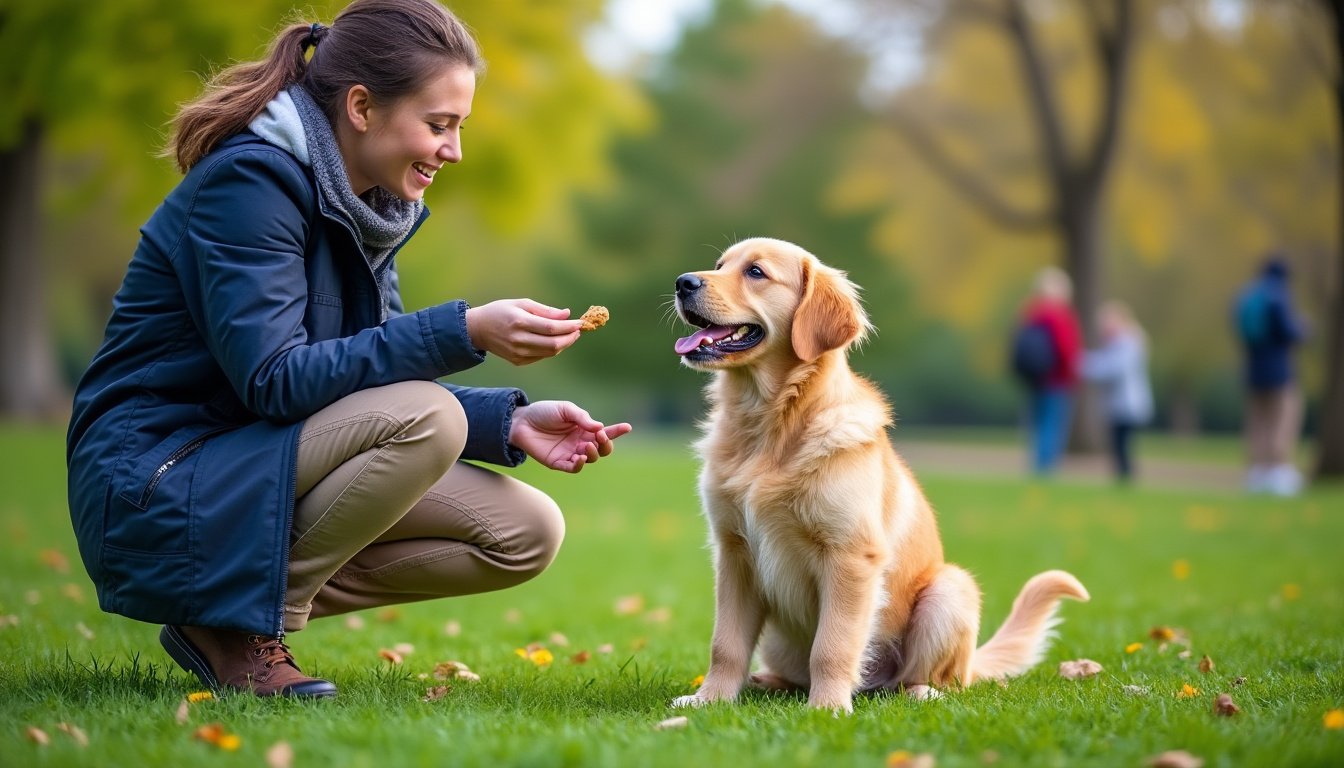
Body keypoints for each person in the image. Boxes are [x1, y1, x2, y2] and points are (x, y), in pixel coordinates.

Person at [65, 0, 632, 700]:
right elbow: (275, 381)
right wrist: (464, 331)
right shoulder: (250, 183)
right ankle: (229, 626)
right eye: (438, 124)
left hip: (247, 462)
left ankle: (225, 612)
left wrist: (504, 422)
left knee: (525, 530)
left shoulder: (368, 207)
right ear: (361, 107)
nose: (452, 150)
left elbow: (362, 383)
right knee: (429, 418)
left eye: (459, 127)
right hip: (156, 477)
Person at [1233, 254, 1307, 496]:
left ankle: (1257, 472)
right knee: (1283, 418)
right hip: (1279, 370)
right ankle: (1279, 472)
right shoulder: (1278, 297)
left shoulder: (1247, 296)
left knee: (1258, 421)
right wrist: (1304, 329)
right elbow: (1287, 331)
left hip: (1253, 369)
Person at [1015, 266, 1083, 475]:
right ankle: (1046, 467)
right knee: (1052, 424)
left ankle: (1038, 463)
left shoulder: (1029, 312)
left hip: (1035, 378)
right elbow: (1066, 349)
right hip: (1056, 379)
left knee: (1038, 422)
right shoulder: (1059, 316)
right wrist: (1072, 370)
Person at [1081, 301, 1154, 483]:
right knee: (1118, 442)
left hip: (1127, 404)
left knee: (1123, 442)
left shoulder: (1128, 343)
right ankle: (1122, 474)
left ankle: (1125, 475)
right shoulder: (1119, 343)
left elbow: (1113, 368)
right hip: (1118, 403)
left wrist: (1084, 366)